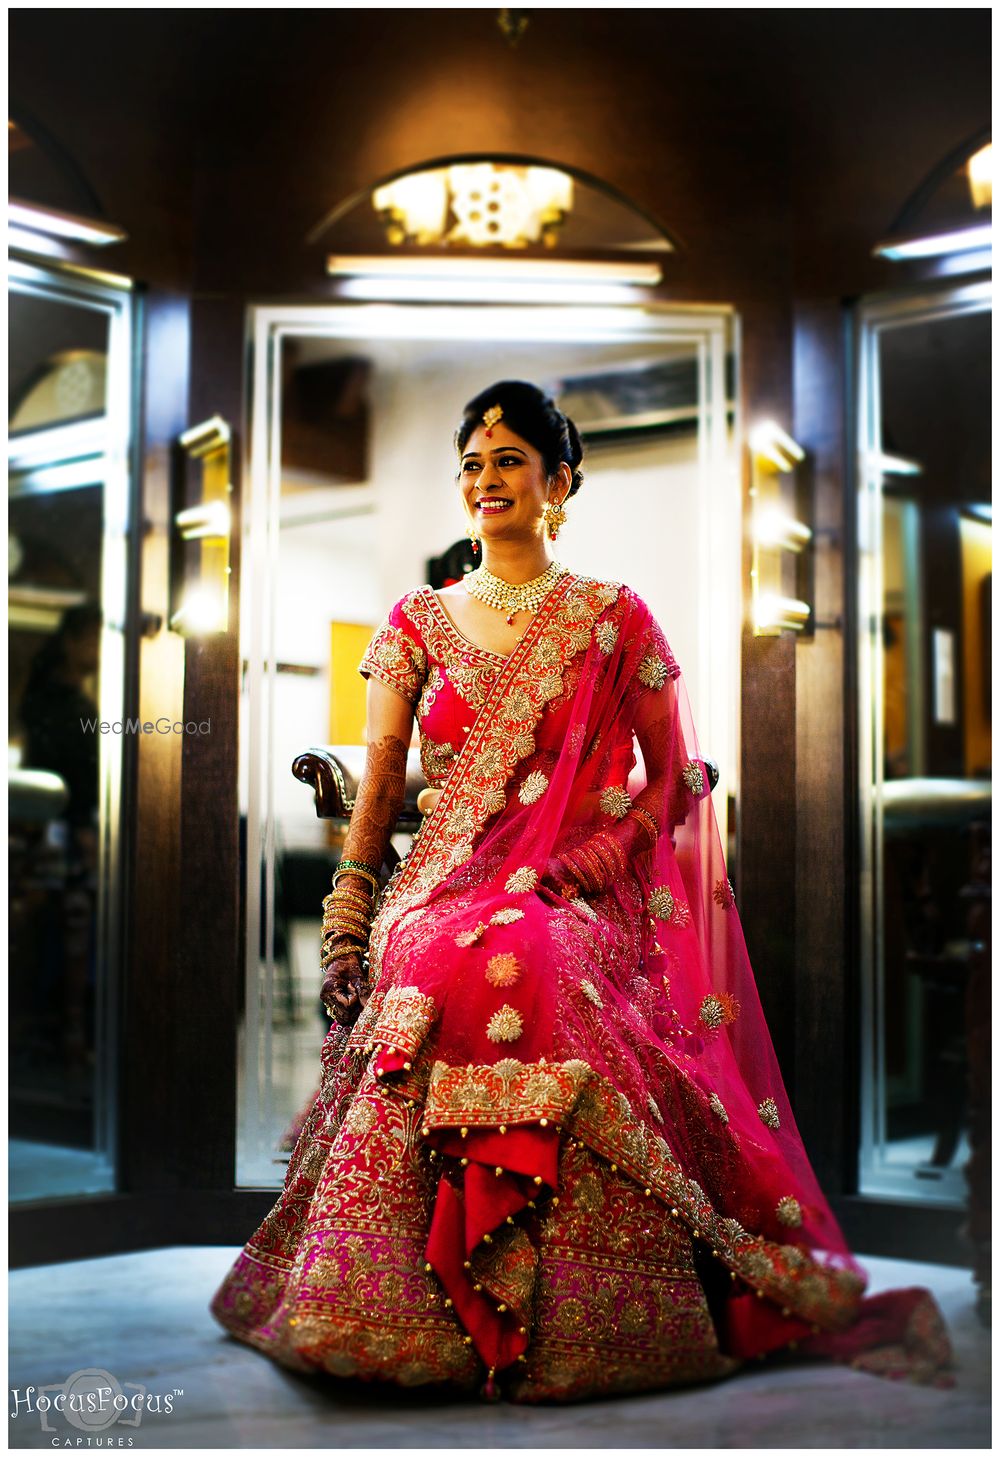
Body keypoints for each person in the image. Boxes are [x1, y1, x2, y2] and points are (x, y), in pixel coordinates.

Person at [210, 381, 953, 1400]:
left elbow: (676, 777)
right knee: (439, 949)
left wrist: (595, 861)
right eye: (472, 464)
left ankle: (577, 1308)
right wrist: (348, 923)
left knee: (534, 948)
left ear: (558, 482)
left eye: (508, 460)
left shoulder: (613, 616)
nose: (485, 479)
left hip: (582, 895)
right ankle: (389, 1300)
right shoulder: (416, 620)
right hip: (445, 886)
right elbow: (379, 787)